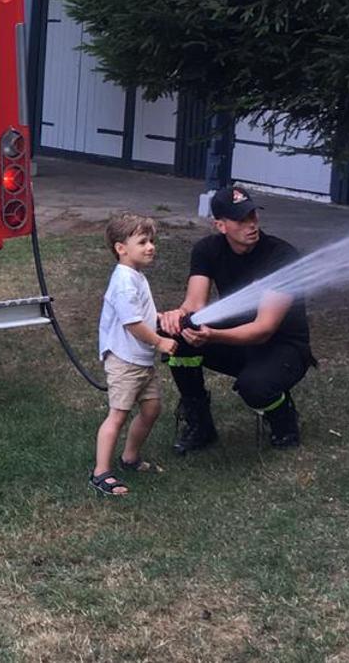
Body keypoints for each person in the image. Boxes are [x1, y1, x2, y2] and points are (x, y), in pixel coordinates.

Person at [157, 186, 315, 452]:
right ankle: (200, 425)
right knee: (177, 335)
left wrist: (214, 335)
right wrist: (176, 317)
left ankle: (283, 419)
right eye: (241, 220)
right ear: (220, 225)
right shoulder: (207, 250)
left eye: (253, 216)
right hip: (240, 342)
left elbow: (264, 329)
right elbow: (194, 305)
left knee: (254, 387)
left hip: (283, 348)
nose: (251, 225)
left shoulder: (280, 256)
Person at [89, 212, 177, 496]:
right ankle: (100, 473)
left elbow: (142, 314)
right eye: (142, 242)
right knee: (118, 415)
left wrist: (159, 318)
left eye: (152, 241)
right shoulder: (124, 281)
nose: (151, 246)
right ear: (121, 248)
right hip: (125, 360)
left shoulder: (135, 276)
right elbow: (132, 323)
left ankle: (129, 457)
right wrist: (160, 342)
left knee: (152, 409)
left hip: (140, 359)